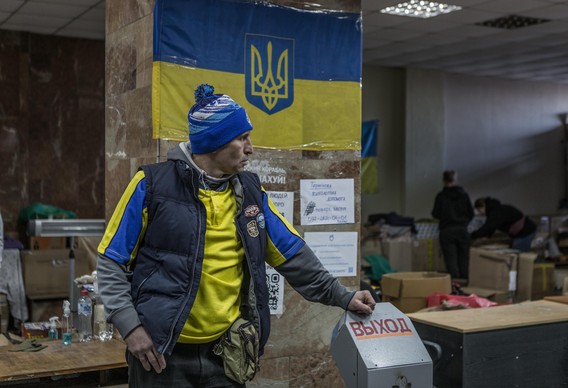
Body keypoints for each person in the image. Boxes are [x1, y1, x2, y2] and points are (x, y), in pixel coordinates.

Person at [96, 84, 376, 387]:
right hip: (161, 354)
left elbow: (293, 254)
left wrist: (342, 296)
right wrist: (130, 327)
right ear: (214, 142)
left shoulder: (251, 192)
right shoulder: (151, 185)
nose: (250, 147)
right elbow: (111, 261)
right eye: (242, 138)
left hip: (225, 353)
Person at [431, 170, 473, 280]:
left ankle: (455, 283)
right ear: (455, 179)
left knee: (450, 259)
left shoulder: (441, 196)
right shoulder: (464, 195)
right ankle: (465, 281)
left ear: (443, 181)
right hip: (462, 229)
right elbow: (471, 213)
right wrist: (463, 222)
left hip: (447, 230)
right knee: (464, 258)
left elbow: (435, 213)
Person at [471, 197, 537, 252]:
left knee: (518, 255)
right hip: (524, 230)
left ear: (482, 206)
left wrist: (472, 235)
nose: (481, 213)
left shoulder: (496, 212)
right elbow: (491, 227)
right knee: (515, 252)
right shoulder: (497, 209)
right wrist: (486, 236)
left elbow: (487, 228)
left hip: (525, 232)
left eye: (479, 211)